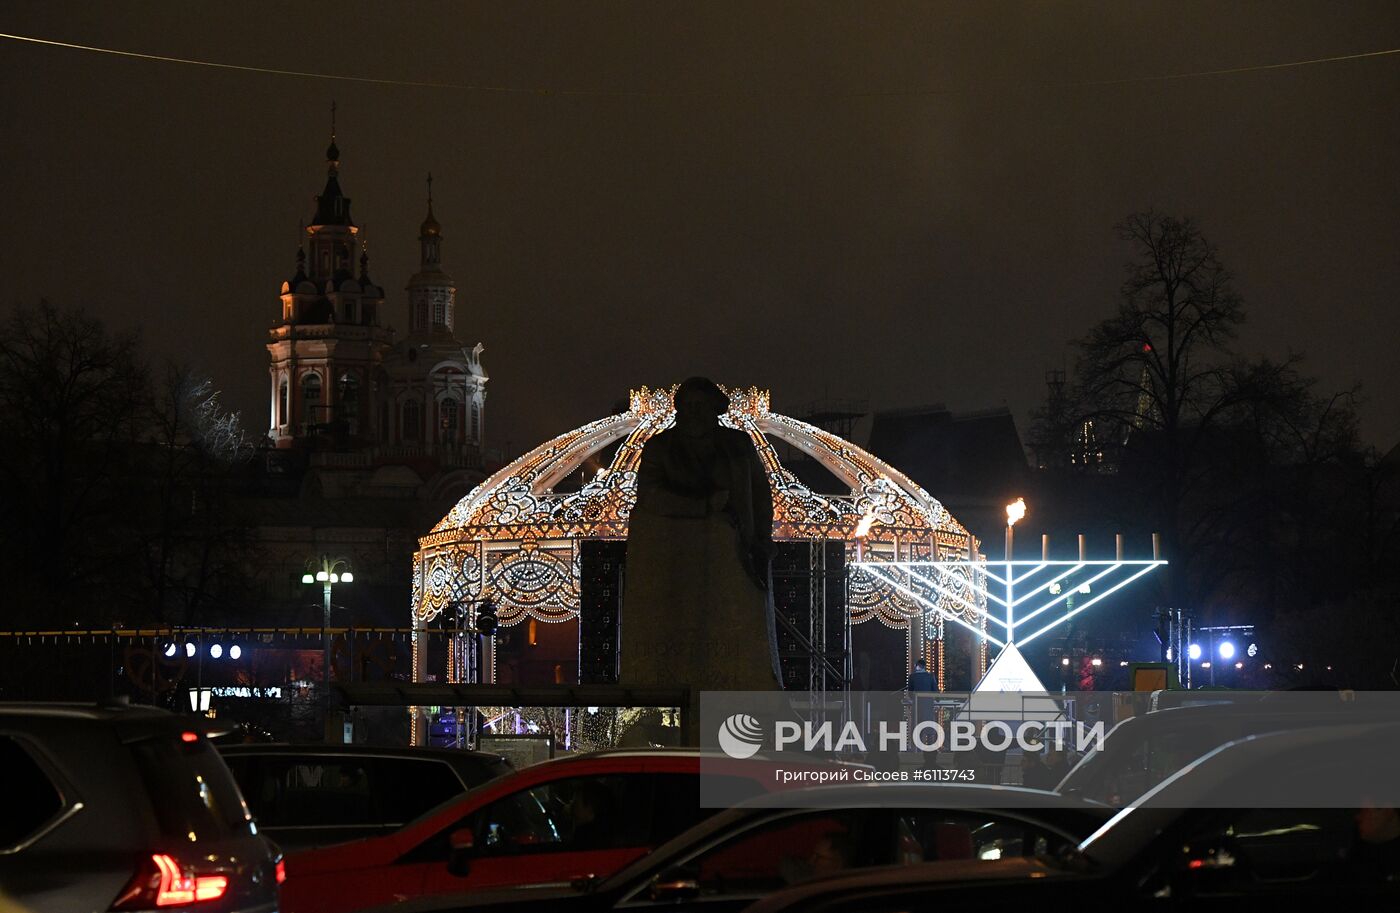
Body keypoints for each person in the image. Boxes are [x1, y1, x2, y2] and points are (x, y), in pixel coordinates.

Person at [622, 378, 781, 741]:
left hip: (732, 557)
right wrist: (703, 507)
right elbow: (650, 496)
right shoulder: (660, 448)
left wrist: (762, 537)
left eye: (703, 406)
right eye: (688, 406)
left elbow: (760, 491)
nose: (695, 413)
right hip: (674, 561)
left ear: (716, 410)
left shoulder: (738, 445)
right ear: (679, 409)